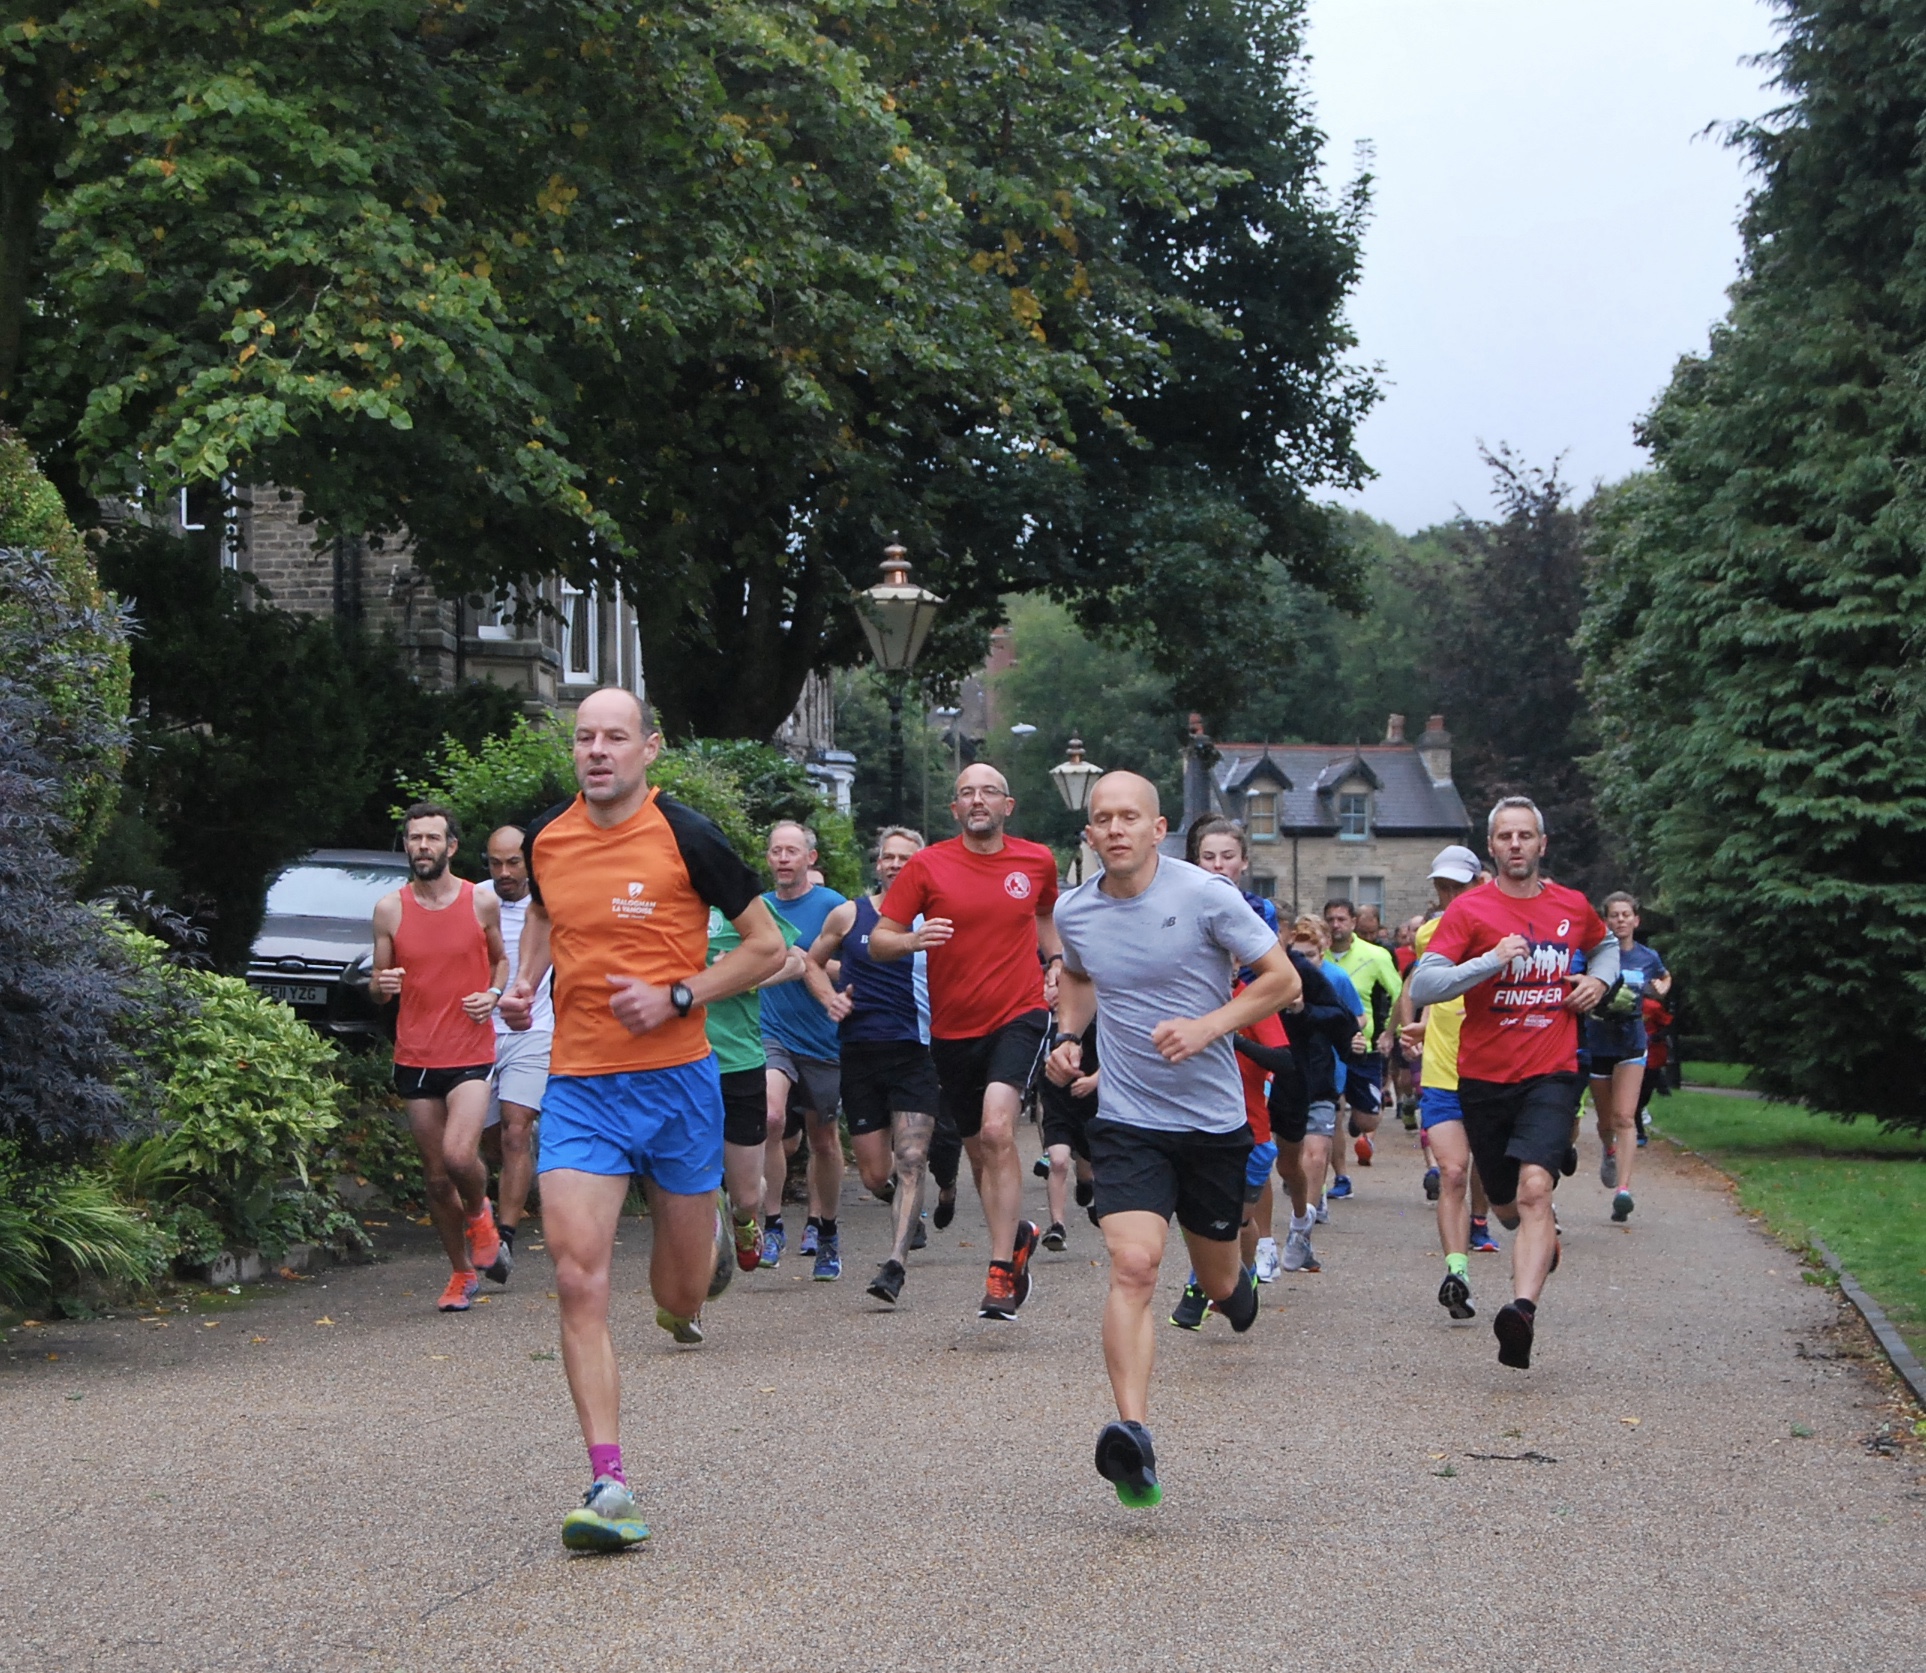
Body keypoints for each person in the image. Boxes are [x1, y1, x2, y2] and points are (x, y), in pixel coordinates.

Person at [497, 688, 787, 1551]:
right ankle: (609, 1480)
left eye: (614, 737)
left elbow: (766, 948)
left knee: (678, 1293)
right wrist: (524, 981)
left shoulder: (689, 838)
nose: (597, 751)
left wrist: (679, 993)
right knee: (579, 1278)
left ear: (649, 747)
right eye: (584, 737)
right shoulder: (547, 838)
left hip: (678, 1086)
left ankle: (696, 1275)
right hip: (582, 1084)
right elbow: (547, 912)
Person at [1049, 773, 1300, 1507]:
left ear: (1159, 829)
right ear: (1090, 835)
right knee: (1134, 1264)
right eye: (1103, 819)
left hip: (1213, 1124)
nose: (1116, 828)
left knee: (1221, 1283)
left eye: (1131, 816)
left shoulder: (1205, 895)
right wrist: (1069, 1036)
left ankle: (1236, 1288)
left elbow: (1280, 980)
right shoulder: (1076, 910)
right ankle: (1134, 1435)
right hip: (1129, 1119)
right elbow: (1077, 976)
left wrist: (1208, 1026)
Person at [1408, 796, 1617, 1370]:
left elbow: (1605, 946)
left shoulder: (1571, 905)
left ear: (1542, 845)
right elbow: (1426, 988)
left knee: (1534, 1192)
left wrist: (1599, 982)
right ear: (1493, 846)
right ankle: (1535, 1238)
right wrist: (1491, 961)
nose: (1517, 845)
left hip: (1551, 1071)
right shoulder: (1470, 912)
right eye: (1506, 837)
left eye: (1527, 835)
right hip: (1483, 1077)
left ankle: (1520, 1312)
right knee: (1504, 1204)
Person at [872, 763, 1061, 1321]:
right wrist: (911, 939)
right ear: (955, 810)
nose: (978, 800)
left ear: (1009, 805)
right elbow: (879, 940)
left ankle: (1001, 1270)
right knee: (981, 1152)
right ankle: (1018, 1233)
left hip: (1019, 1012)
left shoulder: (1037, 861)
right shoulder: (928, 866)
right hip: (953, 1029)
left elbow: (1045, 913)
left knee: (1001, 1130)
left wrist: (1053, 961)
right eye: (966, 794)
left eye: (989, 792)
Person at [372, 804, 511, 1314]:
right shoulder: (390, 909)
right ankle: (461, 1272)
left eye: (432, 838)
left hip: (471, 1050)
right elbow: (380, 988)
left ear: (451, 846)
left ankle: (479, 1213)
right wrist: (381, 985)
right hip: (416, 1054)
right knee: (434, 1178)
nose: (422, 847)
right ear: (407, 846)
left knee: (458, 1156)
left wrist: (494, 995)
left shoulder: (481, 901)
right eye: (415, 839)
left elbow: (500, 959)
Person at [803, 826, 944, 1304]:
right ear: (878, 862)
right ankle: (910, 1210)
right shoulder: (849, 914)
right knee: (872, 1175)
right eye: (889, 856)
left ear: (920, 865)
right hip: (860, 1053)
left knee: (911, 1160)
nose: (896, 864)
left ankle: (895, 1264)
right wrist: (829, 999)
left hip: (915, 1053)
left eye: (906, 857)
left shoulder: (934, 920)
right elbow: (810, 961)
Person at [1393, 844, 1493, 1321]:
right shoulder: (1430, 933)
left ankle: (1500, 1218)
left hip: (1494, 1070)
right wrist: (1419, 1027)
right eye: (1443, 887)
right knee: (1452, 1171)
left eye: (1458, 886)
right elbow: (1428, 988)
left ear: (1478, 884)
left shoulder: (1503, 929)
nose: (1450, 895)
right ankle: (1458, 1274)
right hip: (1442, 1070)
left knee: (1498, 1178)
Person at [1188, 819, 1283, 1282]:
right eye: (1209, 857)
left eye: (1227, 857)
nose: (1219, 865)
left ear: (1244, 862)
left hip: (1250, 1014)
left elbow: (1276, 974)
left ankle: (1261, 1240)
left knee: (1256, 1149)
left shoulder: (1259, 909)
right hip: (1198, 1016)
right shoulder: (1184, 901)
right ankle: (1215, 1272)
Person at [756, 822, 849, 1280]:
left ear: (810, 858)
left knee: (823, 1140)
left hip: (824, 1038)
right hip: (771, 1032)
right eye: (776, 851)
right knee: (771, 1119)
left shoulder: (834, 907)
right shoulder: (758, 909)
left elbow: (853, 966)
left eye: (792, 851)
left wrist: (807, 965)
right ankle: (771, 1226)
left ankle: (826, 1230)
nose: (784, 859)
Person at [704, 894, 805, 1278]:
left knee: (746, 1196)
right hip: (681, 1062)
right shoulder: (659, 907)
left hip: (739, 1061)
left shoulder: (738, 906)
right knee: (691, 1181)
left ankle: (745, 1223)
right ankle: (691, 1289)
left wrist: (746, 973)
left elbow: (795, 960)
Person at [476, 825, 552, 1271]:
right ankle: (489, 1214)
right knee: (487, 1142)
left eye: (513, 863)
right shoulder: (474, 899)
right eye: (495, 863)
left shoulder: (548, 902)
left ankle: (504, 1237)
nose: (504, 873)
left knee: (516, 1129)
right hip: (480, 1031)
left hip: (534, 1028)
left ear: (530, 862)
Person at [1585, 891, 1671, 1223]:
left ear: (1636, 920)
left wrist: (1662, 987)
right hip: (1599, 1042)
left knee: (1625, 1117)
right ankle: (1609, 1151)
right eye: (1614, 915)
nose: (1620, 920)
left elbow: (1663, 976)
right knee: (1606, 1121)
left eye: (1626, 915)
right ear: (1605, 921)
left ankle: (1623, 1191)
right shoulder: (1595, 955)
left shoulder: (1647, 956)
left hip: (1632, 1041)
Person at [1324, 898, 1401, 1172]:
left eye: (1341, 919)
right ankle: (1339, 1177)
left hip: (1364, 1046)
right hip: (1327, 1049)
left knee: (1367, 1120)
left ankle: (1359, 1118)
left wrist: (1392, 1033)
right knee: (1331, 1113)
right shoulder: (1316, 957)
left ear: (1353, 922)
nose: (1336, 925)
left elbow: (1400, 994)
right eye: (1331, 919)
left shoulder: (1375, 955)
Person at [1037, 1020, 1098, 1249]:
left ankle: (1085, 1182)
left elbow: (1116, 1059)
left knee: (1087, 1162)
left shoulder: (1093, 1021)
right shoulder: (1041, 1025)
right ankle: (1057, 1226)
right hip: (1057, 1107)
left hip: (1090, 1103)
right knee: (1058, 1161)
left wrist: (1094, 1081)